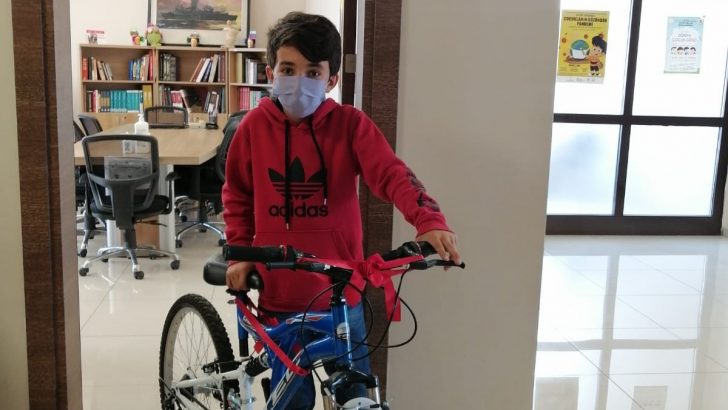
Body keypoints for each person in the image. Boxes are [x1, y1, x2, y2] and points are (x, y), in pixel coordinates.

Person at [222, 11, 461, 409]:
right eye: (288, 69)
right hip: (281, 291)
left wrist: (429, 220)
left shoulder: (350, 125)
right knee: (290, 401)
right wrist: (240, 253)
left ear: (331, 79)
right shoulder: (252, 129)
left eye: (313, 72)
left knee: (355, 392)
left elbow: (392, 174)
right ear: (270, 73)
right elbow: (238, 197)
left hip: (341, 291)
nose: (299, 81)